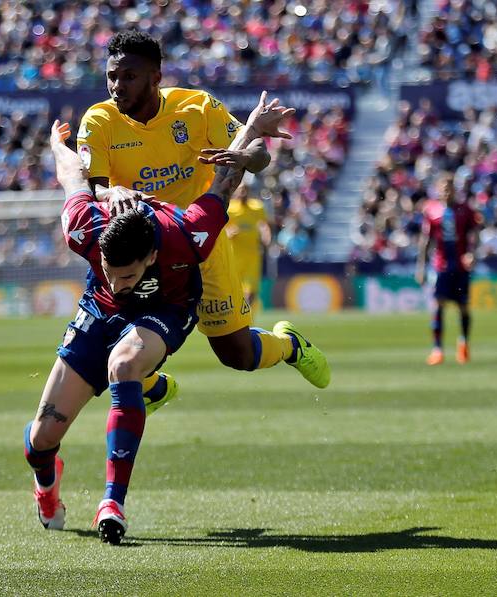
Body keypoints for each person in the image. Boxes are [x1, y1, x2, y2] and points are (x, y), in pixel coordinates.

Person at [25, 94, 307, 545]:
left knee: (125, 364)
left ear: (153, 255)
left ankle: (112, 502)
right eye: (112, 272)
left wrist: (251, 128)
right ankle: (47, 486)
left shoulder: (186, 235)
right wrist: (58, 145)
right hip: (99, 311)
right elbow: (72, 177)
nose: (121, 282)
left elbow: (224, 183)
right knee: (41, 438)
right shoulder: (84, 227)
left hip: (167, 307)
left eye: (130, 275)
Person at [76, 30, 330, 412]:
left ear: (156, 78)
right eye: (111, 76)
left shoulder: (197, 108)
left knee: (237, 354)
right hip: (138, 248)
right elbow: (94, 187)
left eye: (128, 77)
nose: (116, 86)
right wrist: (112, 192)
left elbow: (257, 149)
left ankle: (290, 345)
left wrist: (245, 159)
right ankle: (151, 386)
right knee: (110, 335)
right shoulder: (98, 121)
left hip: (198, 241)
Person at [415, 173, 481, 365]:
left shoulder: (465, 210)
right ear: (438, 189)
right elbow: (426, 241)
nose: (446, 190)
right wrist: (421, 267)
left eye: (450, 187)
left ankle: (464, 343)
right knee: (437, 305)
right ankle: (437, 349)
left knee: (463, 307)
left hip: (461, 267)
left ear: (454, 189)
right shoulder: (432, 210)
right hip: (441, 267)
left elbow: (474, 233)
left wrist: (472, 252)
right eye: (443, 187)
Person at [225, 185, 271, 307]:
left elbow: (263, 225)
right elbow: (221, 228)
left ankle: (245, 313)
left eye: (245, 190)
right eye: (240, 190)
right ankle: (239, 314)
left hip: (252, 255)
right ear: (236, 192)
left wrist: (266, 236)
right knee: (234, 289)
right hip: (234, 255)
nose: (243, 193)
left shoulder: (257, 207)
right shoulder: (230, 208)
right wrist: (228, 233)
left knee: (251, 291)